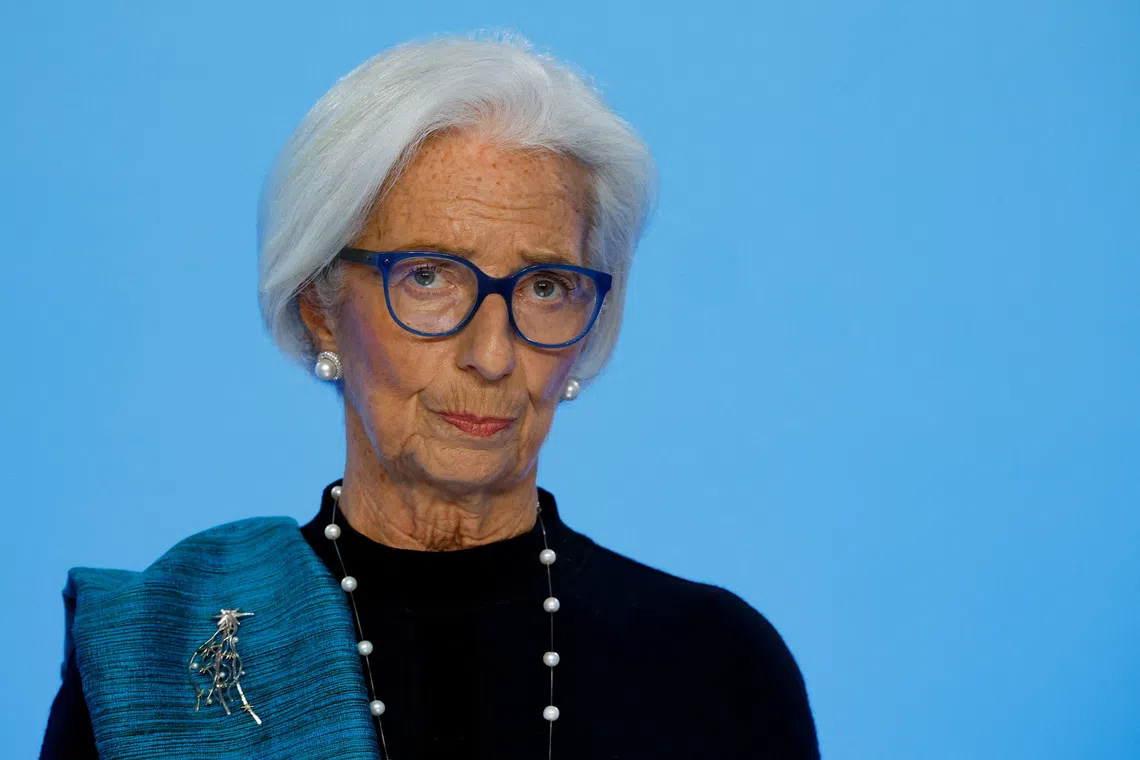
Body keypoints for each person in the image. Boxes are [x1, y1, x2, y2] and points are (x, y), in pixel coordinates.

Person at [41, 35, 819, 760]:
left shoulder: (715, 663)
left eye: (546, 286)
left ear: (588, 327)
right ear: (320, 306)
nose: (491, 355)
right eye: (429, 277)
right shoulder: (158, 654)